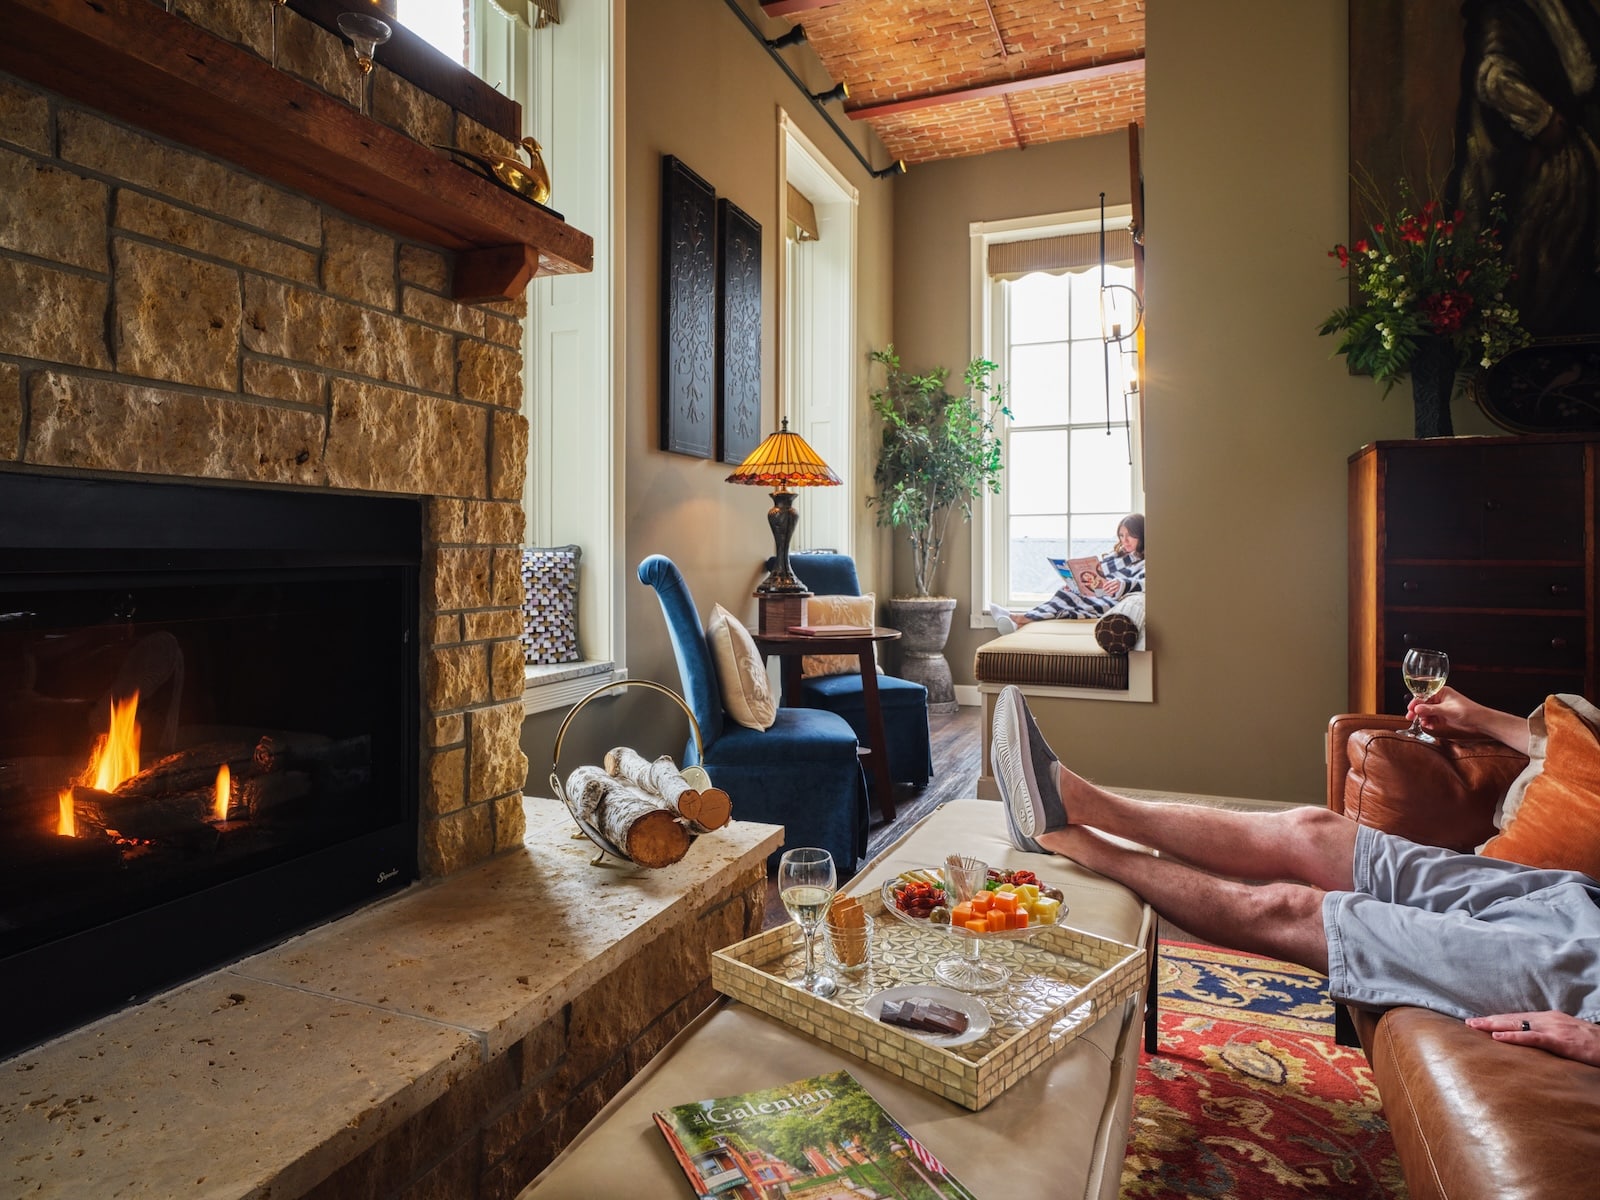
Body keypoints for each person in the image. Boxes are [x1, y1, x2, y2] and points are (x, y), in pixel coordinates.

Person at [988, 683, 1600, 1067]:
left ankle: (1064, 838)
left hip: (1584, 974)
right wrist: (1482, 718)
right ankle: (1076, 802)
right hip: (1571, 897)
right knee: (1314, 831)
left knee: (1298, 910)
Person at [988, 513, 1144, 635]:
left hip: (1109, 600)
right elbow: (1098, 575)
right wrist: (1077, 583)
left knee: (1071, 598)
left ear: (1141, 535)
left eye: (1130, 535)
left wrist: (1122, 585)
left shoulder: (1146, 562)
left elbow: (1145, 585)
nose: (1125, 540)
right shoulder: (1117, 556)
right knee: (1066, 590)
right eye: (1121, 536)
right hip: (1096, 593)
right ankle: (1020, 621)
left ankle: (1019, 618)